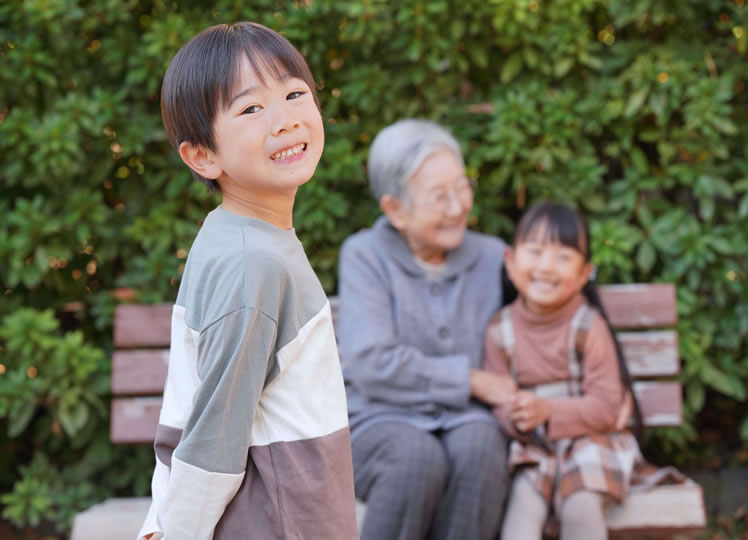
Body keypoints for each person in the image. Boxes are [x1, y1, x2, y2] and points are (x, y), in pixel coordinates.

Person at [138, 22, 358, 540]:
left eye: (294, 93)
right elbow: (212, 441)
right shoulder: (253, 265)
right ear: (202, 155)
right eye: (251, 108)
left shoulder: (236, 234)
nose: (285, 120)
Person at [337, 119, 515, 540]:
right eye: (439, 196)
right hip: (375, 418)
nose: (457, 207)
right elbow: (371, 363)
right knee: (415, 456)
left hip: (465, 419)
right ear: (395, 210)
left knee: (481, 447)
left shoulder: (493, 256)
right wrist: (471, 380)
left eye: (461, 187)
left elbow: (547, 317)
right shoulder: (365, 256)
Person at [483, 202, 644, 540]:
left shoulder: (589, 326)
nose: (547, 266)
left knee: (581, 506)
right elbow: (498, 400)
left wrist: (546, 410)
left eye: (563, 256)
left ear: (585, 274)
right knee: (520, 516)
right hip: (537, 448)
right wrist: (515, 419)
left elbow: (606, 408)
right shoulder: (500, 330)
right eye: (536, 251)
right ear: (510, 262)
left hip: (591, 441)